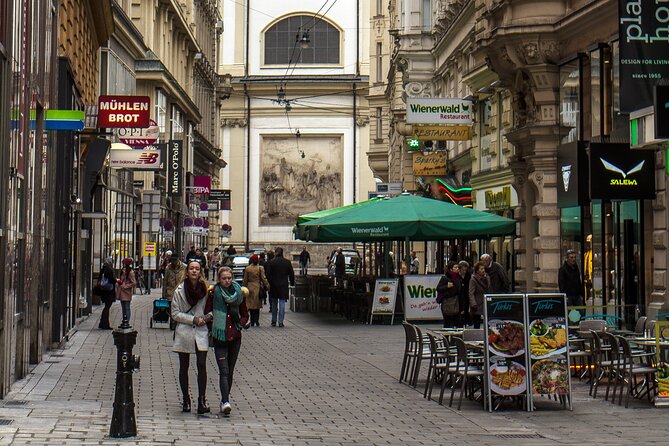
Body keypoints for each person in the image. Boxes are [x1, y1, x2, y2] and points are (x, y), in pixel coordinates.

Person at [205, 266, 250, 415]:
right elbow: (208, 312)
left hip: (235, 337)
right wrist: (213, 326)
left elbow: (245, 314)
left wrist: (240, 325)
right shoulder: (213, 293)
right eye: (224, 278)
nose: (227, 281)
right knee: (223, 370)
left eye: (229, 278)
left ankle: (225, 398)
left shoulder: (239, 293)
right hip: (220, 337)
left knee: (230, 371)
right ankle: (225, 401)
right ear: (219, 279)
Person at [171, 259, 212, 414]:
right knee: (184, 366)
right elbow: (174, 313)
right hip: (184, 331)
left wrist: (206, 318)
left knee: (202, 364)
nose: (194, 271)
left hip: (201, 331)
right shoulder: (179, 290)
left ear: (200, 271)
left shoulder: (205, 290)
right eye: (192, 268)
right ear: (187, 271)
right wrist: (192, 319)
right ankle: (186, 399)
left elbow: (212, 308)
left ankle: (201, 400)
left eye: (197, 269)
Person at [265, 247, 295, 327]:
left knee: (274, 303)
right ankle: (281, 321)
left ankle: (273, 321)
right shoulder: (287, 262)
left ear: (275, 253)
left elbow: (268, 274)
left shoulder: (271, 262)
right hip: (283, 285)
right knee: (282, 303)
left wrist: (271, 282)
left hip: (274, 285)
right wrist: (292, 283)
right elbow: (291, 274)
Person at [243, 255, 269, 327]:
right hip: (257, 287)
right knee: (257, 306)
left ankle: (252, 321)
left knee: (251, 305)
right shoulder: (260, 268)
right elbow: (263, 278)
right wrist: (267, 286)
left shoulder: (248, 269)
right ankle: (257, 321)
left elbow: (245, 279)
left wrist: (243, 288)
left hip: (250, 287)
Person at [163, 253, 186, 330]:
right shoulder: (168, 268)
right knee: (171, 309)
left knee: (179, 308)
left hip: (180, 291)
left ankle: (177, 323)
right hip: (170, 292)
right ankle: (173, 324)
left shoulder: (184, 267)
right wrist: (164, 294)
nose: (174, 262)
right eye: (172, 260)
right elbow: (165, 281)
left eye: (175, 260)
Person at [436, 261, 461, 328]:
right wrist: (447, 287)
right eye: (455, 267)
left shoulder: (458, 278)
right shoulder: (445, 278)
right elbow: (438, 288)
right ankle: (447, 336)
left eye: (458, 267)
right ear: (451, 269)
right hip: (447, 302)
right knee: (448, 321)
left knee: (456, 321)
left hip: (456, 302)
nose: (457, 269)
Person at [469, 261, 490, 329]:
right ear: (477, 270)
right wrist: (473, 304)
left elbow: (489, 288)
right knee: (477, 322)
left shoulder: (487, 277)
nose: (483, 270)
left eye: (483, 268)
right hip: (478, 303)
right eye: (481, 269)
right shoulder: (473, 279)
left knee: (488, 321)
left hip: (486, 301)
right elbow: (471, 292)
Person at [97, 257, 116, 330]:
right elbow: (111, 280)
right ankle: (105, 324)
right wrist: (116, 280)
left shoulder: (103, 269)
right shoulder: (109, 269)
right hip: (109, 291)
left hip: (104, 290)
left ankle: (102, 322)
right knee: (107, 307)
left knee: (106, 307)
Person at [117, 257, 137, 323]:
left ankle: (127, 321)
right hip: (122, 291)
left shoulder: (130, 272)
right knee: (123, 307)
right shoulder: (123, 271)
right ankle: (124, 319)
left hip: (126, 292)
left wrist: (126, 286)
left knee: (127, 307)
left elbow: (134, 282)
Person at [457, 260, 472, 326]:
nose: (464, 272)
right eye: (463, 270)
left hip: (466, 296)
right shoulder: (457, 276)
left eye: (465, 270)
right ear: (459, 269)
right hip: (459, 297)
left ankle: (466, 321)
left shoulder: (468, 276)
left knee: (465, 310)